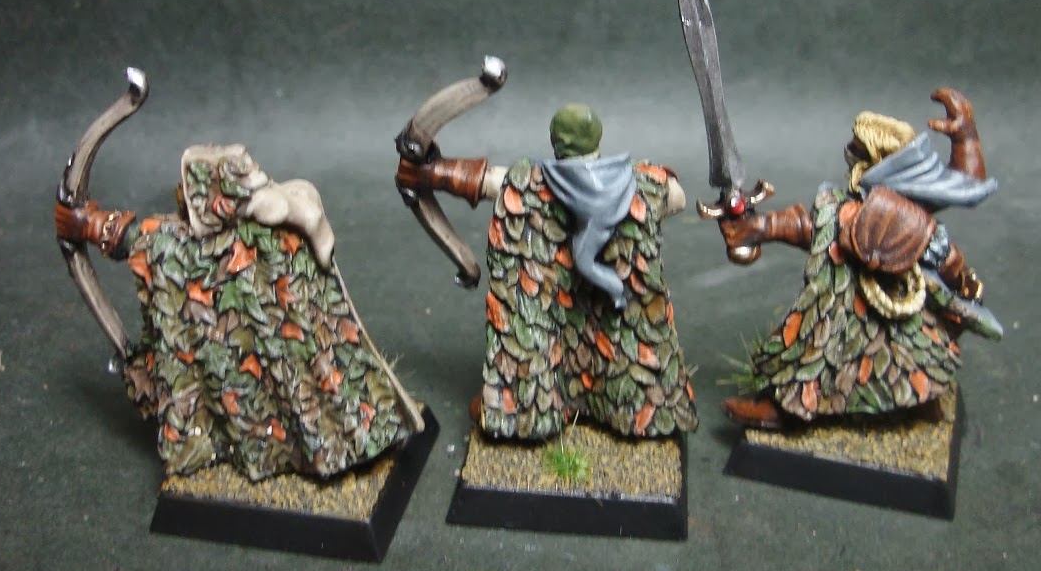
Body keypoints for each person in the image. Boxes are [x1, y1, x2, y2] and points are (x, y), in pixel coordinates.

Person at [56, 144, 424, 480]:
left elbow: (138, 239)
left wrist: (88, 224)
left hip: (304, 381)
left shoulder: (270, 230)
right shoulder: (191, 243)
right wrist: (90, 224)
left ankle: (337, 440)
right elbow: (142, 239)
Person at [398, 104, 698, 440]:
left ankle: (532, 406)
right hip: (598, 289)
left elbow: (489, 181)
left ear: (557, 142)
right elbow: (677, 198)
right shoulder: (638, 182)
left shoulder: (532, 184)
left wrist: (431, 172)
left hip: (586, 291)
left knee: (566, 299)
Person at [716, 89, 1002, 428]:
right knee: (860, 350)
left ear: (872, 159)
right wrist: (761, 227)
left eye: (855, 149)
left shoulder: (886, 212)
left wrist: (763, 227)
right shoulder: (863, 205)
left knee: (864, 349)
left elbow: (819, 226)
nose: (849, 155)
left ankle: (797, 408)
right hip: (858, 303)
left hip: (875, 305)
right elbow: (814, 226)